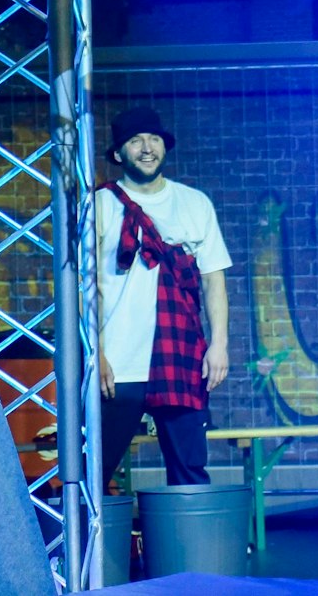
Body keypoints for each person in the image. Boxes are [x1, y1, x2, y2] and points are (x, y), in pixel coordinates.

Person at [95, 108, 231, 488]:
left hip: (180, 357)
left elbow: (214, 280)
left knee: (190, 473)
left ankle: (188, 532)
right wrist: (97, 353)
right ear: (119, 153)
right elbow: (86, 287)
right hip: (118, 363)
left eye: (154, 139)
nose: (147, 148)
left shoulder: (194, 203)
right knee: (96, 471)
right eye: (136, 141)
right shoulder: (100, 206)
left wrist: (218, 345)